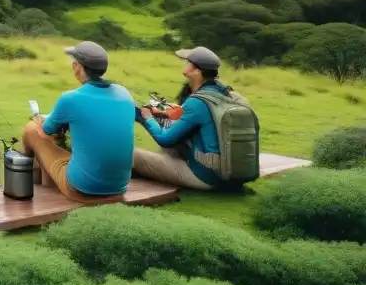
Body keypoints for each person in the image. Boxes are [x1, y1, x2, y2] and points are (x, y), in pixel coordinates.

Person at [23, 41, 137, 204]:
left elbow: (45, 132)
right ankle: (42, 184)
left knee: (32, 130)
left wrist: (39, 119)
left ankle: (22, 186)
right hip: (119, 188)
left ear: (77, 66)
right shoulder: (124, 93)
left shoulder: (71, 98)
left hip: (83, 189)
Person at [131, 46, 226, 190]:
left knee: (133, 155)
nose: (185, 64)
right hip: (226, 173)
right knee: (170, 149)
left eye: (189, 63)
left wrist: (147, 118)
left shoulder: (197, 102)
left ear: (197, 72)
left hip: (207, 178)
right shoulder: (222, 94)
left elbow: (165, 139)